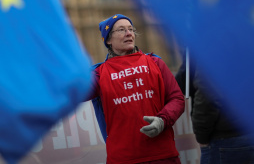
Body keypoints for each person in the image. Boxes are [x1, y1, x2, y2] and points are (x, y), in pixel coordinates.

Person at [88, 14, 185, 164]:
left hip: (163, 155)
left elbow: (177, 98)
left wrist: (162, 120)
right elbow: (74, 91)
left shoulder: (155, 62)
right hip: (123, 159)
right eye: (121, 30)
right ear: (108, 40)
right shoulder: (100, 74)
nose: (128, 33)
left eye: (131, 29)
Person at [175, 51, 254, 164]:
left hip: (225, 138)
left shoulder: (211, 47)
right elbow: (184, 83)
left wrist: (202, 136)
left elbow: (207, 95)